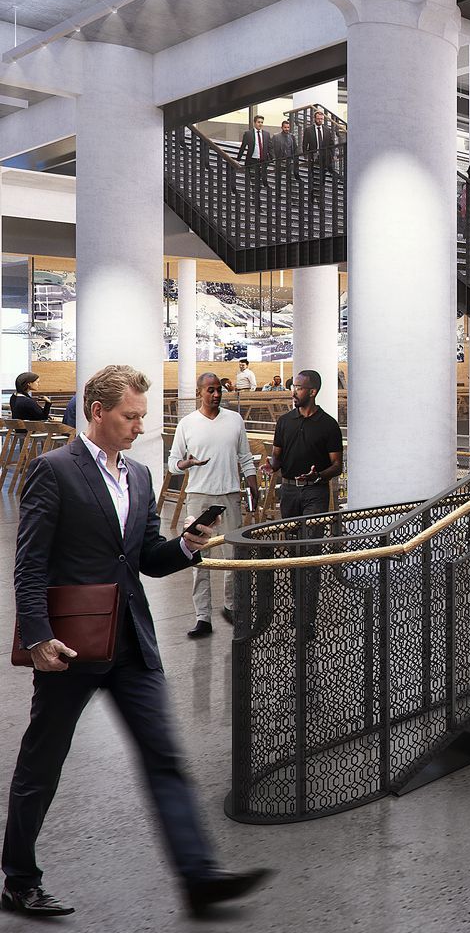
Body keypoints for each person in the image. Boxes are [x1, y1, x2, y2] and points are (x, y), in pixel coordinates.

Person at [3, 364, 271, 919]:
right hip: (71, 647)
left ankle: (198, 879)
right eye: (130, 415)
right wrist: (38, 638)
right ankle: (19, 876)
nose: (139, 424)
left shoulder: (141, 475)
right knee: (42, 762)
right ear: (97, 412)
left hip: (132, 644)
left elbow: (146, 558)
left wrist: (189, 545)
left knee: (164, 757)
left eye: (142, 415)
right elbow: (28, 565)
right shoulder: (54, 471)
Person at [168, 372, 260, 638]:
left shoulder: (234, 420)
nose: (216, 394)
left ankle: (231, 607)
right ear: (200, 392)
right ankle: (202, 617)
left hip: (230, 495)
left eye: (219, 389)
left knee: (233, 557)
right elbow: (173, 463)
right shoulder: (187, 424)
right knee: (199, 557)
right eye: (210, 390)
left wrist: (251, 481)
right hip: (199, 497)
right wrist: (187, 463)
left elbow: (244, 456)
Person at [268, 369, 343, 525]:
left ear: (312, 392)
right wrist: (271, 465)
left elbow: (337, 466)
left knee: (311, 542)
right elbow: (277, 456)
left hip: (315, 492)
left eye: (299, 388)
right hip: (288, 490)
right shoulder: (284, 421)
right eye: (293, 387)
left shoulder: (328, 425)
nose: (293, 393)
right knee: (291, 542)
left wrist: (318, 476)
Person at [236, 114, 271, 200]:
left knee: (260, 181)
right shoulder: (248, 134)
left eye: (262, 122)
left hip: (263, 161)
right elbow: (243, 146)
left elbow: (270, 147)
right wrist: (238, 159)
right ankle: (255, 199)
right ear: (254, 123)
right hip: (252, 161)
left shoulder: (266, 134)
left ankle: (255, 198)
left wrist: (272, 159)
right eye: (258, 122)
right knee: (254, 181)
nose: (260, 124)